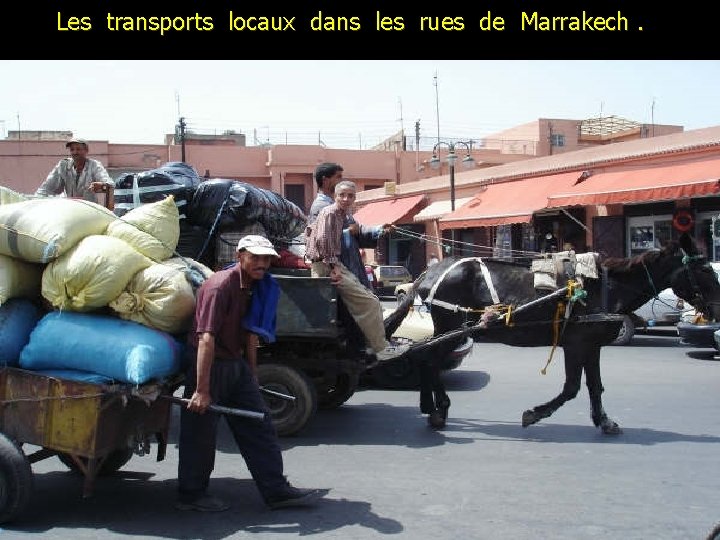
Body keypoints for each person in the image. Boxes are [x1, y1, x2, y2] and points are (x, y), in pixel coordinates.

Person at [176, 234, 324, 512]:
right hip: (209, 364)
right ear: (239, 256)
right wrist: (201, 389)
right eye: (255, 257)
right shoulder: (219, 287)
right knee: (201, 433)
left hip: (236, 364)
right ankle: (191, 495)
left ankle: (276, 490)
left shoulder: (256, 286)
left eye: (266, 258)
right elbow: (206, 339)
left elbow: (250, 334)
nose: (261, 263)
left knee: (261, 425)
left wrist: (252, 375)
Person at [306, 180, 410, 362]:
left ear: (355, 198)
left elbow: (355, 232)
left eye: (350, 196)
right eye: (342, 195)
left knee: (372, 301)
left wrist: (377, 230)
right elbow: (323, 241)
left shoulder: (342, 214)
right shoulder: (330, 212)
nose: (346, 199)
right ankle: (380, 348)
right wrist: (333, 268)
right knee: (370, 303)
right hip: (328, 266)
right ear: (335, 196)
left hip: (333, 264)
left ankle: (373, 344)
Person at [35, 138, 115, 204]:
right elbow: (46, 188)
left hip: (89, 210)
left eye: (78, 149)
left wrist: (101, 185)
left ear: (86, 150)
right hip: (70, 209)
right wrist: (35, 200)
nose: (75, 152)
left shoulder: (94, 165)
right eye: (72, 149)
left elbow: (110, 184)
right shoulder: (63, 165)